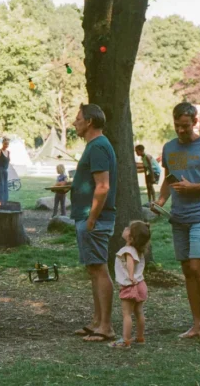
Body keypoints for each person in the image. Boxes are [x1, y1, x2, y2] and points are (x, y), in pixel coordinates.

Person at [153, 102, 200, 343]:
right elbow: (168, 178)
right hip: (179, 217)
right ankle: (196, 324)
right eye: (177, 125)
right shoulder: (169, 147)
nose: (181, 130)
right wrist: (161, 199)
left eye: (185, 126)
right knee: (187, 271)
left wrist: (195, 187)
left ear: (195, 122)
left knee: (197, 267)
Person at [70, 103, 117, 342]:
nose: (74, 122)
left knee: (99, 269)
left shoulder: (98, 146)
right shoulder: (95, 146)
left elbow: (103, 186)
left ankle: (106, 327)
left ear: (89, 121)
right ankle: (97, 321)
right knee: (93, 269)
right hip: (88, 216)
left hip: (94, 219)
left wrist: (91, 218)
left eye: (77, 118)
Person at [108, 221, 151, 349]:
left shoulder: (127, 250)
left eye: (128, 229)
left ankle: (125, 341)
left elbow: (130, 262)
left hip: (130, 285)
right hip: (141, 284)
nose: (125, 228)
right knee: (139, 312)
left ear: (131, 238)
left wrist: (130, 276)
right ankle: (140, 337)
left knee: (126, 314)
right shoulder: (139, 250)